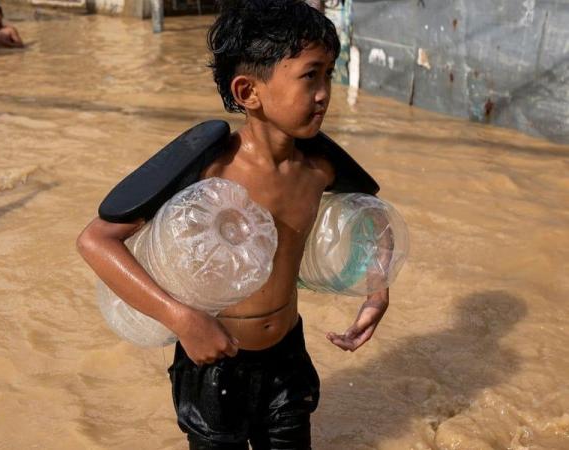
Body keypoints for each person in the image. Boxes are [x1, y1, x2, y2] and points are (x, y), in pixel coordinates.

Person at [76, 1, 389, 448]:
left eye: (329, 74)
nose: (324, 92)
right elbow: (96, 240)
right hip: (212, 360)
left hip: (287, 357)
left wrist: (378, 290)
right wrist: (180, 319)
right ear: (248, 91)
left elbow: (373, 216)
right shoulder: (208, 166)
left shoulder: (321, 166)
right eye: (310, 74)